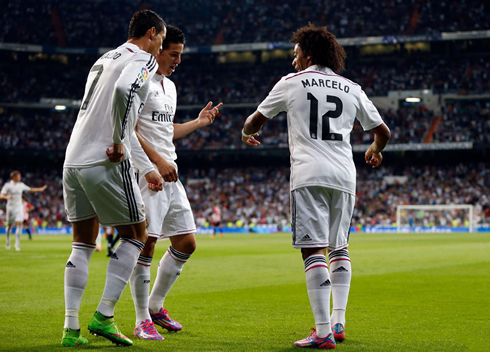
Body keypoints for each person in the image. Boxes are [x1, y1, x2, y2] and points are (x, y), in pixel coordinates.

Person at [241, 24, 391, 349]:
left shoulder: (290, 83)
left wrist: (245, 132)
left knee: (313, 250)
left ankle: (322, 332)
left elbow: (255, 121)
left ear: (307, 54)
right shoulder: (351, 87)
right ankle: (338, 321)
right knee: (339, 246)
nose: (293, 60)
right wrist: (375, 150)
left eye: (295, 54)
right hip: (344, 176)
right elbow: (384, 132)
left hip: (309, 175)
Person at [61, 10, 166, 347]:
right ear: (151, 33)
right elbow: (124, 89)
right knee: (137, 234)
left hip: (73, 157)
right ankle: (105, 315)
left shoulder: (106, 57)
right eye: (160, 41)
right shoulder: (143, 59)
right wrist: (119, 141)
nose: (159, 49)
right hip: (103, 156)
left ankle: (70, 329)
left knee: (82, 242)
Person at [128, 25, 222, 340]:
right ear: (158, 50)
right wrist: (155, 163)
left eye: (180, 55)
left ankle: (155, 305)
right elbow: (131, 129)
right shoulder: (140, 82)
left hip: (171, 172)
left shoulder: (170, 87)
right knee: (147, 243)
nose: (178, 60)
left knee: (186, 242)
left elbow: (165, 131)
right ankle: (142, 319)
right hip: (148, 174)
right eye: (173, 54)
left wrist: (197, 122)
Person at [1, 171, 46, 251]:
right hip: (10, 208)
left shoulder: (21, 185)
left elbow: (30, 189)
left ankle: (17, 244)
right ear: (14, 177)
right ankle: (8, 241)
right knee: (9, 226)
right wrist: (7, 197)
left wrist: (40, 189)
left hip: (19, 208)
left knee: (19, 224)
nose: (20, 177)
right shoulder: (7, 185)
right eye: (19, 176)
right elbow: (1, 195)